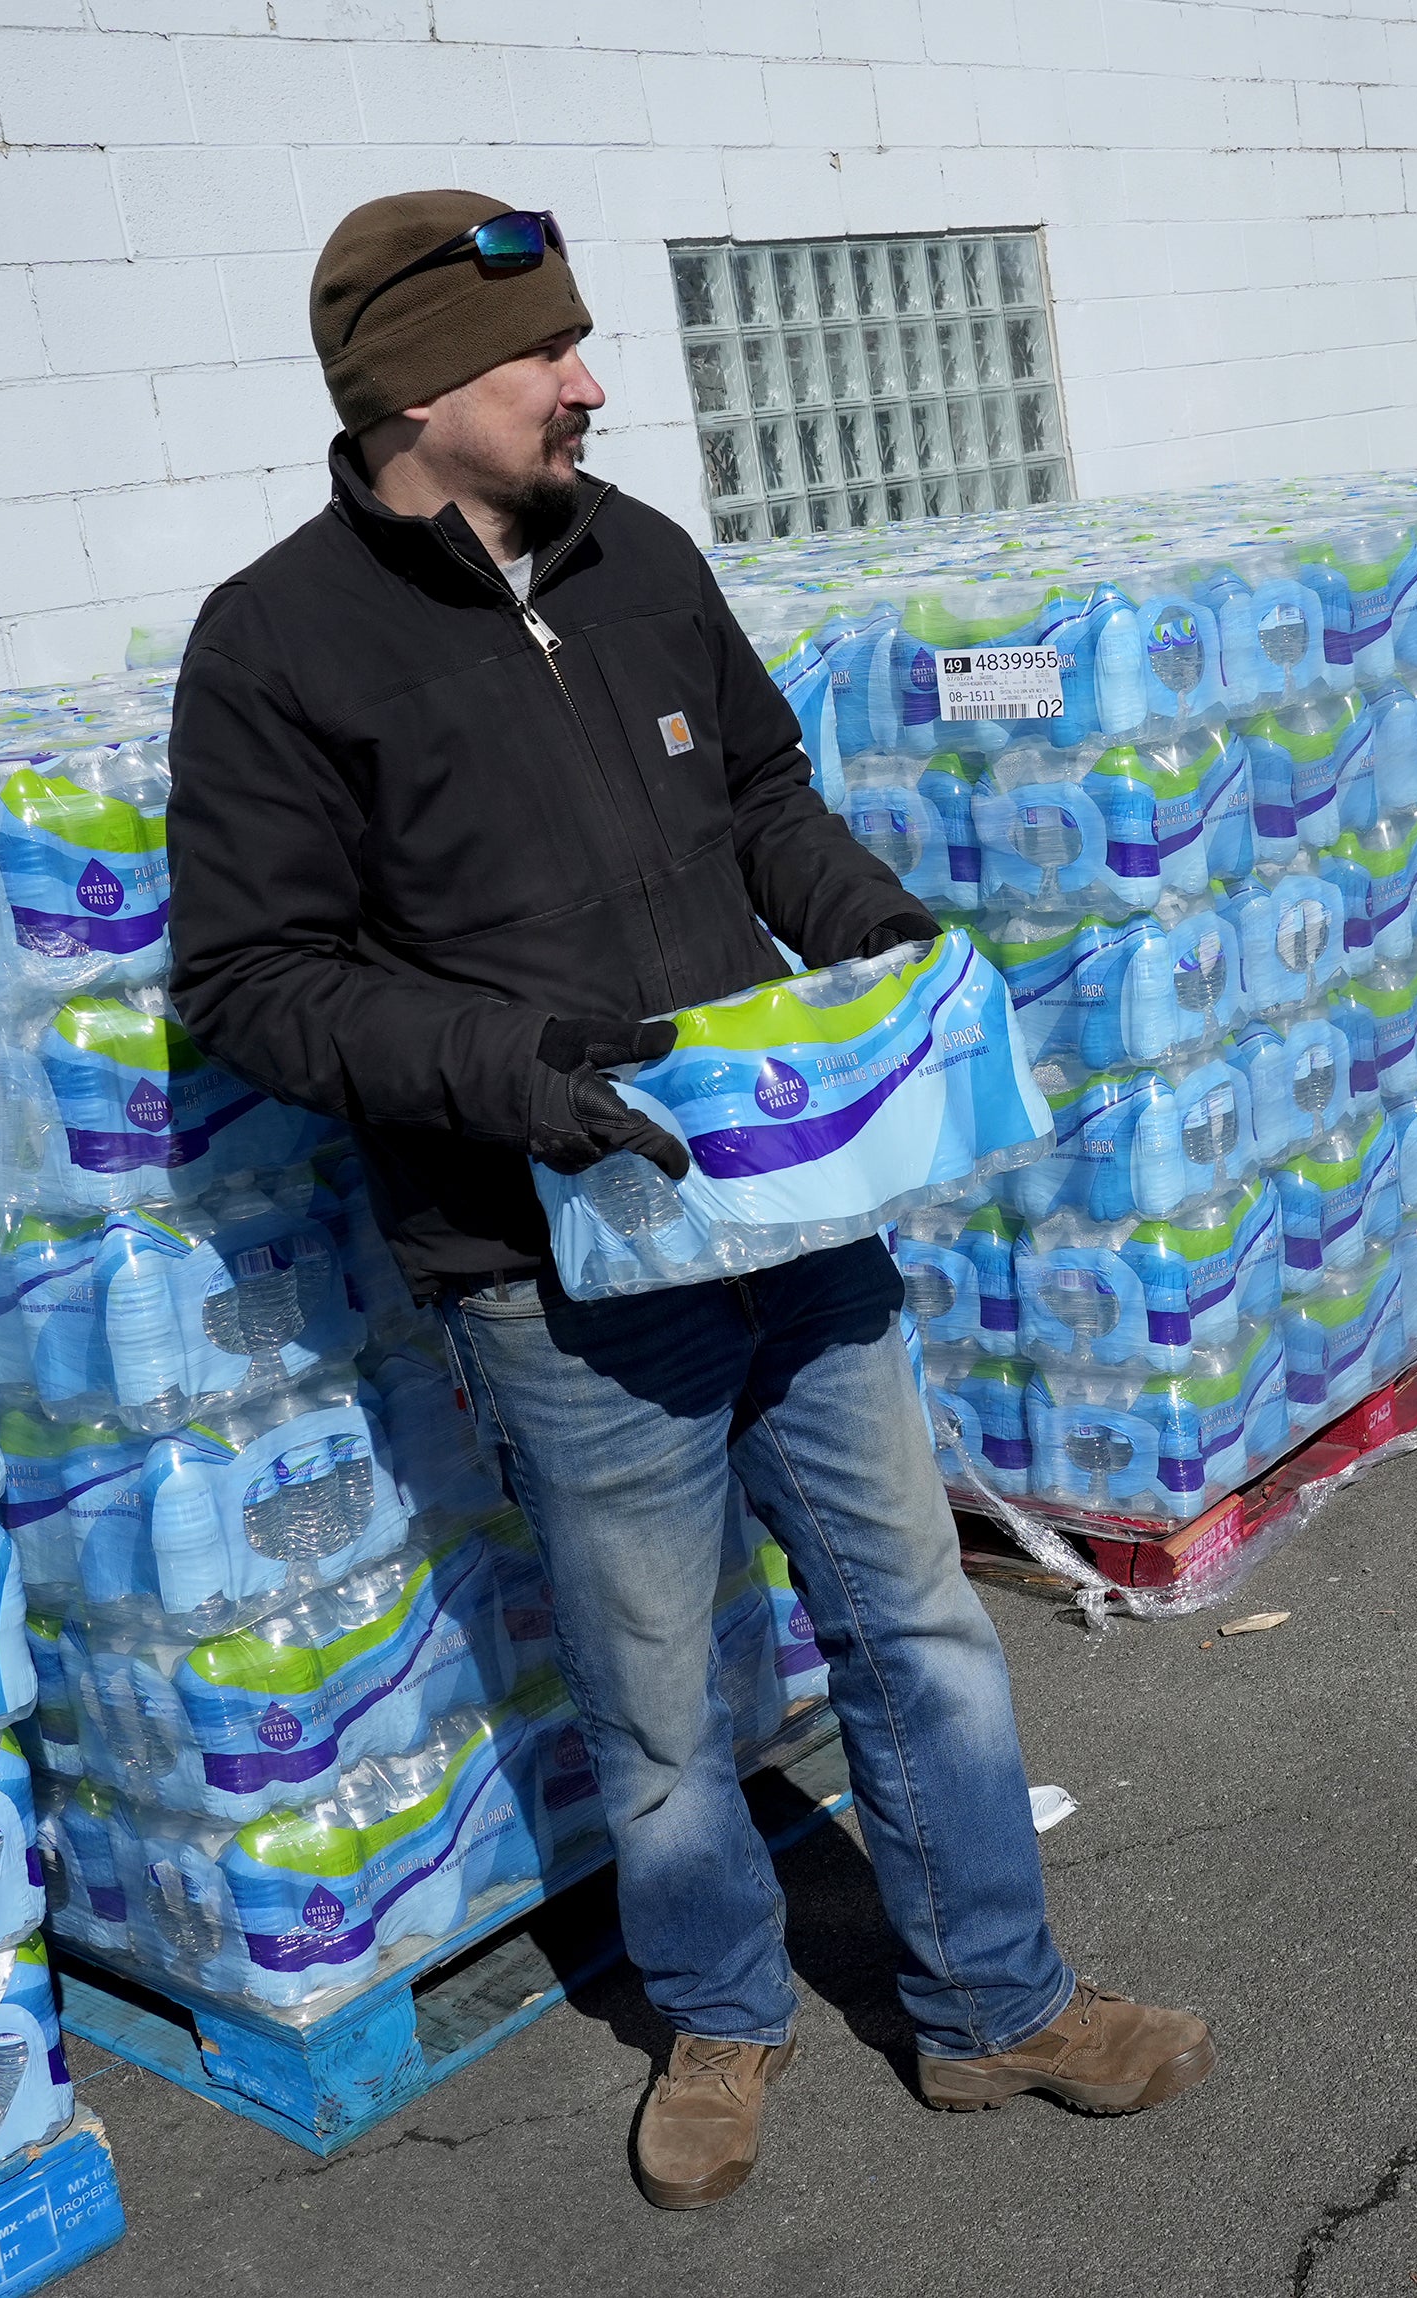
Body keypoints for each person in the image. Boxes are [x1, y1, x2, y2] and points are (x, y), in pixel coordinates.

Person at [161, 191, 1215, 2210]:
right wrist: (518, 1085)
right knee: (657, 1696)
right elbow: (252, 983)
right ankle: (720, 2018)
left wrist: (887, 942)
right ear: (406, 391)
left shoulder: (637, 556)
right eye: (543, 357)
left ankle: (995, 2007)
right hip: (556, 1268)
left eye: (577, 346)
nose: (588, 382)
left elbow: (756, 796)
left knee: (915, 1625)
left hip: (791, 1216)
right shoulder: (279, 646)